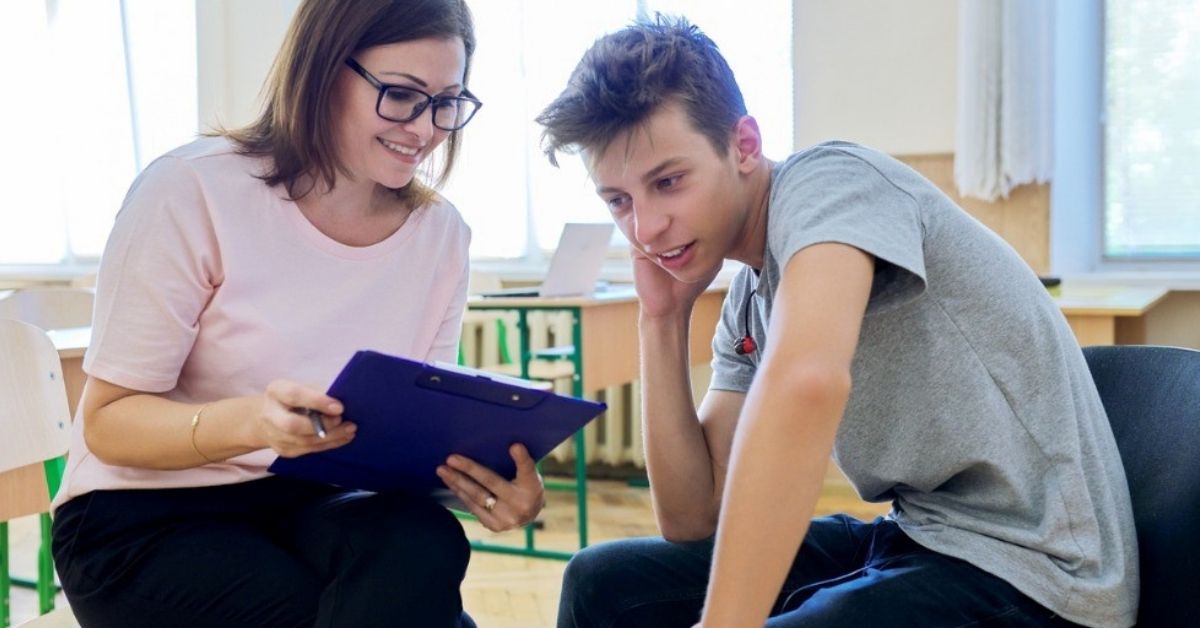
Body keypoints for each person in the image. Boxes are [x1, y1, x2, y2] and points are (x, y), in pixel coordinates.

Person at [537, 15, 1138, 628]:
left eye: (668, 182)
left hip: (1035, 568)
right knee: (601, 581)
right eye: (619, 201)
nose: (645, 227)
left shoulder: (830, 182)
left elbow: (807, 382)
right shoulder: (751, 294)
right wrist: (661, 322)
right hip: (920, 535)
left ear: (743, 145)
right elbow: (692, 516)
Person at [49, 1, 545, 626]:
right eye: (400, 95)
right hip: (142, 516)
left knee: (427, 538)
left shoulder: (440, 235)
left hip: (309, 502)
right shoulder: (191, 189)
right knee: (324, 608)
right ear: (319, 71)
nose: (425, 129)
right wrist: (252, 422)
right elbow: (108, 426)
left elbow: (405, 445)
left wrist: (488, 487)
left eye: (448, 101)